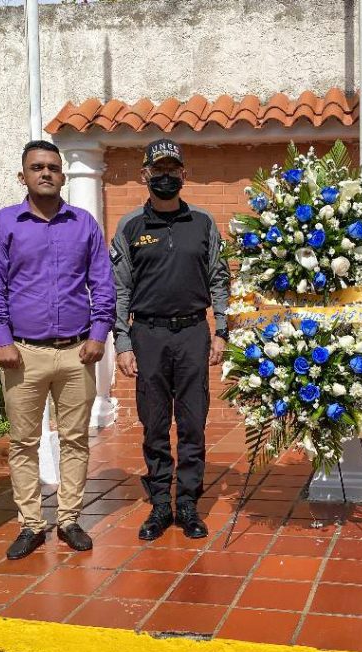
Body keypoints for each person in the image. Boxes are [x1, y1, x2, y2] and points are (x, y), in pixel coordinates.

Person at [0, 140, 116, 560]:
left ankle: (71, 518)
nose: (46, 173)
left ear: (62, 175)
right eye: (37, 167)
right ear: (23, 176)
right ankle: (31, 523)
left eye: (53, 167)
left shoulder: (84, 224)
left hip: (78, 352)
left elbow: (103, 282)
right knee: (24, 441)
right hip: (23, 353)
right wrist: (1, 340)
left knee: (76, 438)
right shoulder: (5, 225)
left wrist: (98, 334)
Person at [111, 139, 229, 541]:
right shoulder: (130, 227)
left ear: (184, 174)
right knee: (154, 423)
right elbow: (119, 290)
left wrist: (222, 331)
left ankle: (189, 504)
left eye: (171, 170)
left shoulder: (204, 223)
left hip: (194, 333)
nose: (165, 177)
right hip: (148, 335)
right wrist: (123, 343)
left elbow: (219, 278)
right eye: (157, 170)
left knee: (193, 422)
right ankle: (161, 503)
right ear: (144, 175)